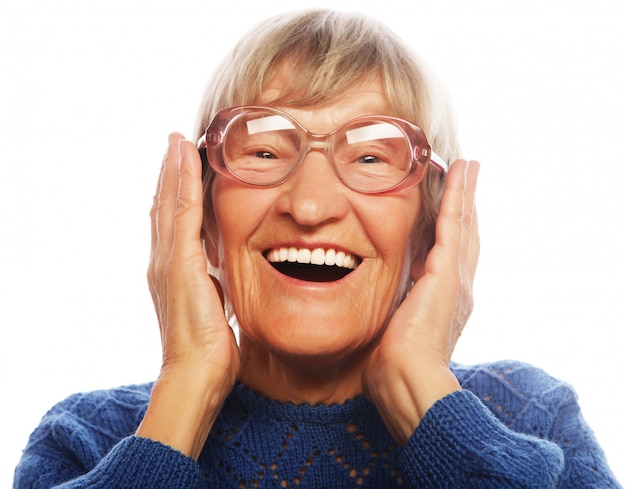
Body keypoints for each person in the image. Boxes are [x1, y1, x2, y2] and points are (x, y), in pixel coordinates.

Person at [13, 9, 621, 488]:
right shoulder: (86, 442)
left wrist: (423, 395)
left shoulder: (527, 420)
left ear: (432, 227)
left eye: (370, 158)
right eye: (265, 152)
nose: (309, 206)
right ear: (199, 214)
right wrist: (188, 386)